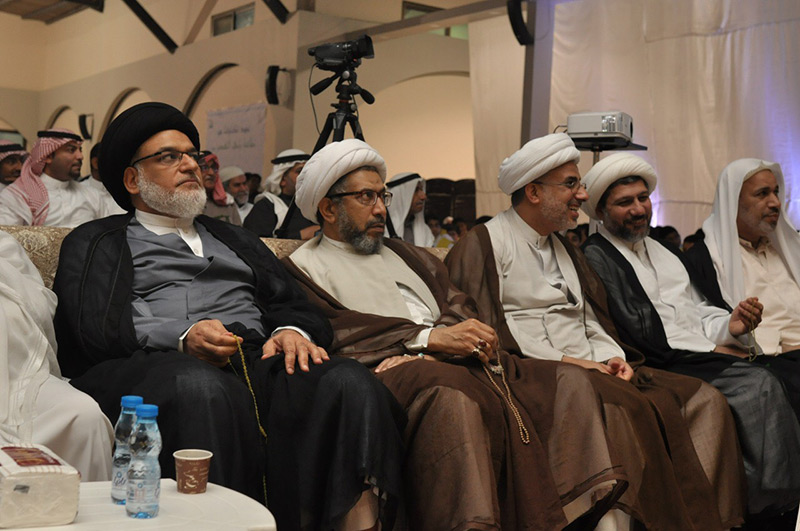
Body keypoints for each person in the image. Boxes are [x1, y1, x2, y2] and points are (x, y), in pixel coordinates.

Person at [52, 103, 404, 530]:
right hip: (152, 364)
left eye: (192, 155)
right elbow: (91, 325)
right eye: (169, 156)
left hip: (255, 358)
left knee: (348, 381)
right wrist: (183, 336)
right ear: (132, 180)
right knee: (201, 387)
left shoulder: (235, 238)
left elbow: (294, 303)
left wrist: (290, 330)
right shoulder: (96, 240)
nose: (190, 165)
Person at [283, 139, 628, 531]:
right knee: (452, 393)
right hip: (388, 375)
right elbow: (333, 329)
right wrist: (425, 341)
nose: (381, 208)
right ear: (328, 208)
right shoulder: (302, 267)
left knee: (569, 379)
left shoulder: (409, 255)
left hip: (450, 362)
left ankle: (577, 521)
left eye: (383, 195)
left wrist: (438, 346)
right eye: (366, 197)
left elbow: (460, 304)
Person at [446, 133, 746, 530]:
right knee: (620, 407)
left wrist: (612, 357)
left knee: (705, 400)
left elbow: (592, 319)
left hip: (593, 367)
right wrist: (575, 363)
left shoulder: (565, 247)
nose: (582, 195)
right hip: (531, 373)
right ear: (533, 192)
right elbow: (488, 332)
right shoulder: (484, 244)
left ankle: (709, 523)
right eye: (571, 184)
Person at [580, 152, 800, 519]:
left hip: (696, 351)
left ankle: (776, 499)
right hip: (660, 360)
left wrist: (729, 325)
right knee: (759, 384)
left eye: (643, 198)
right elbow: (640, 332)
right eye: (624, 202)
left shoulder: (664, 251)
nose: (638, 209)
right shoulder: (596, 256)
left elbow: (697, 309)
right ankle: (765, 501)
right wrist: (713, 350)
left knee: (773, 377)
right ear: (601, 211)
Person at [0, 229, 113, 481]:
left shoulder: (3, 245)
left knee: (83, 414)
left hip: (20, 374)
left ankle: (91, 507)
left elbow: (43, 307)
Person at [685, 158, 800, 357]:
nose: (775, 202)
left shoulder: (789, 250)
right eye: (762, 194)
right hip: (772, 360)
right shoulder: (705, 260)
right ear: (733, 201)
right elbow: (700, 322)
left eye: (776, 192)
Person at [0, 129, 116, 227]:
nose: (80, 156)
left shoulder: (93, 195)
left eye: (79, 150)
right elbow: (7, 238)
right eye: (71, 150)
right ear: (48, 156)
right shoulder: (17, 196)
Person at [244, 149, 318, 239]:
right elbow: (256, 242)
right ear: (282, 179)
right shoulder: (266, 206)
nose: (305, 176)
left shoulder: (313, 203)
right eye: (299, 171)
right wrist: (301, 235)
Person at [384, 172, 434, 246]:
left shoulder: (425, 231)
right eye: (416, 190)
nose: (423, 196)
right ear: (400, 195)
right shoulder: (380, 228)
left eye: (421, 189)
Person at [81, 143, 126, 215]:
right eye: (113, 160)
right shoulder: (80, 192)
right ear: (95, 163)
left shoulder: (123, 192)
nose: (118, 165)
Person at [198, 151, 241, 226]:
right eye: (205, 168)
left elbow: (239, 230)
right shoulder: (186, 203)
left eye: (214, 168)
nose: (211, 173)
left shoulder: (228, 202)